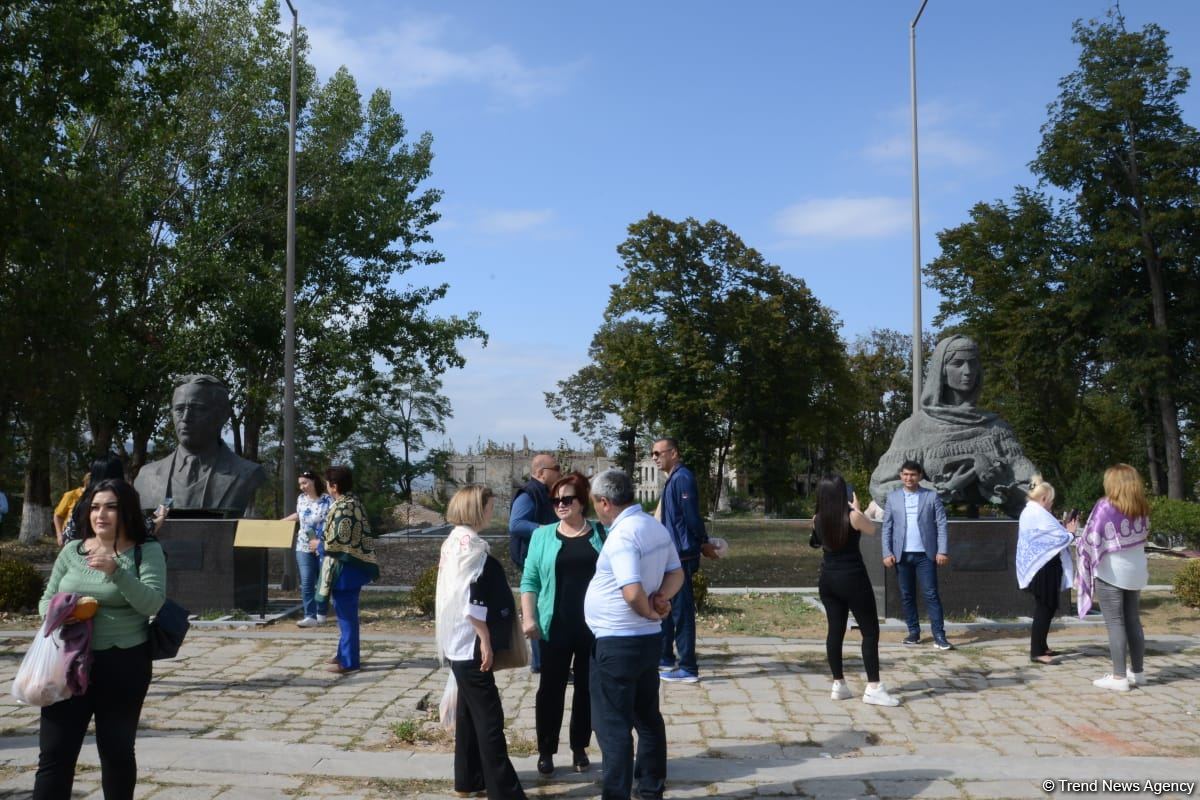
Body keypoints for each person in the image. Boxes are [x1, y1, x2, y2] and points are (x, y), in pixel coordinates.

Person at [34, 479, 166, 800]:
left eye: (110, 506)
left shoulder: (145, 552)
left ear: (127, 511)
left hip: (123, 665)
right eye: (95, 507)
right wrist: (69, 609)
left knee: (117, 753)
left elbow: (152, 604)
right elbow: (44, 603)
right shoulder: (72, 550)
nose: (100, 514)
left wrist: (116, 572)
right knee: (54, 754)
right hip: (67, 662)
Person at [584, 469, 683, 800]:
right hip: (645, 640)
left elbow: (631, 590)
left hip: (618, 640)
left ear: (605, 502)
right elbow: (676, 573)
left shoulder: (624, 535)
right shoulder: (653, 527)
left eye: (594, 504)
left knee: (613, 727)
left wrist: (651, 608)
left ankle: (617, 793)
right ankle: (651, 788)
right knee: (647, 717)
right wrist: (662, 600)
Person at [869, 335, 1037, 518]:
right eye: (958, 364)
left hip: (987, 534)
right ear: (941, 370)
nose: (968, 371)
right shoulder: (914, 428)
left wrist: (999, 485)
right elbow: (881, 488)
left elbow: (1035, 491)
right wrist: (940, 490)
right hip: (930, 534)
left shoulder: (997, 429)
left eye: (973, 363)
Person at [436, 485, 528, 800]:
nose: (492, 511)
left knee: (469, 712)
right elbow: (469, 598)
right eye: (489, 505)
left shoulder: (453, 541)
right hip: (470, 641)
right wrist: (485, 638)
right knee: (490, 718)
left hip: (456, 640)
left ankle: (469, 778)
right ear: (478, 508)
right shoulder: (472, 545)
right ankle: (504, 791)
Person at [519, 471, 604, 777]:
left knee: (586, 690)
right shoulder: (542, 535)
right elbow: (528, 580)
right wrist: (529, 617)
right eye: (555, 500)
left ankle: (579, 747)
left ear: (582, 502)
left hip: (592, 627)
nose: (560, 505)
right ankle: (545, 751)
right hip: (553, 626)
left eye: (567, 499)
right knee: (550, 690)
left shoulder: (601, 533)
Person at [811, 475, 900, 706]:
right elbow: (871, 529)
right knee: (870, 632)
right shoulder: (852, 516)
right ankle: (873, 687)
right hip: (853, 578)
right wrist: (858, 509)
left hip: (828, 579)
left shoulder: (816, 518)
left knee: (835, 631)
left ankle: (838, 683)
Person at [132, 375, 266, 513]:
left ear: (222, 415)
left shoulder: (248, 475)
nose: (185, 418)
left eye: (198, 408)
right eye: (179, 409)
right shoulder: (147, 476)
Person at [1076, 464, 1150, 692]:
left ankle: (1119, 678)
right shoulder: (1142, 506)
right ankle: (1138, 673)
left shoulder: (1105, 506)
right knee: (1133, 620)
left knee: (1115, 622)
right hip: (1136, 570)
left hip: (1112, 572)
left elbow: (1091, 538)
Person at [652, 437, 718, 684]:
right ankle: (666, 658)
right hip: (671, 554)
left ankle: (688, 667)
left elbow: (691, 517)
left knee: (681, 611)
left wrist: (703, 541)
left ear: (674, 453)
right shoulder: (673, 480)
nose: (655, 458)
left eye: (659, 453)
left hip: (681, 555)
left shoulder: (682, 478)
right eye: (653, 454)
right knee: (667, 608)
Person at [881, 459, 953, 650]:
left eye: (912, 474)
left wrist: (942, 550)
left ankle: (939, 635)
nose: (909, 478)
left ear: (920, 476)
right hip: (901, 555)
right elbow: (887, 527)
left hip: (926, 555)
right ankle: (914, 632)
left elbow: (942, 524)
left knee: (931, 594)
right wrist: (886, 552)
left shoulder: (931, 496)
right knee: (907, 595)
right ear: (900, 476)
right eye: (905, 474)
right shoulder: (893, 497)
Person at [315, 466, 379, 674]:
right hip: (351, 567)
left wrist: (318, 544)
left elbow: (337, 541)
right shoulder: (351, 502)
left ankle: (350, 661)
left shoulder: (344, 508)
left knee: (346, 616)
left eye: (327, 483)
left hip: (346, 569)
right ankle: (342, 653)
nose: (325, 487)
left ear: (334, 486)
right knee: (345, 614)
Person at [508, 453, 560, 674]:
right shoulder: (529, 494)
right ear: (540, 472)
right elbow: (516, 524)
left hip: (542, 558)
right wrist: (547, 531)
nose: (560, 472)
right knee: (540, 609)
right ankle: (542, 662)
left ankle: (543, 661)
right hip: (533, 560)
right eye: (556, 468)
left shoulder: (543, 493)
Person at [1016, 476, 1076, 665]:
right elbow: (1058, 538)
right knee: (1044, 607)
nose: (1051, 504)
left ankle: (1042, 645)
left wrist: (1065, 531)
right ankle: (1036, 651)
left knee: (1047, 607)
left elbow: (1052, 535)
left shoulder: (1030, 511)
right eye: (1051, 500)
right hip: (1044, 568)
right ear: (1043, 499)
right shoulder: (1038, 513)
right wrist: (1071, 532)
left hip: (1043, 566)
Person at [282, 470, 332, 628]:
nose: (302, 487)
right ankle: (309, 616)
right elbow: (299, 514)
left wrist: (323, 542)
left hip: (322, 546)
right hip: (303, 546)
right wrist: (281, 521)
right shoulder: (301, 499)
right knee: (307, 580)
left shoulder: (327, 500)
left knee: (322, 581)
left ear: (314, 482)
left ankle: (321, 613)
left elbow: (333, 520)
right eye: (300, 484)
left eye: (305, 483)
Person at [53, 473, 89, 546]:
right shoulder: (71, 495)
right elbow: (58, 515)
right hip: (71, 538)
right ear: (85, 482)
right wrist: (59, 535)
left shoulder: (97, 496)